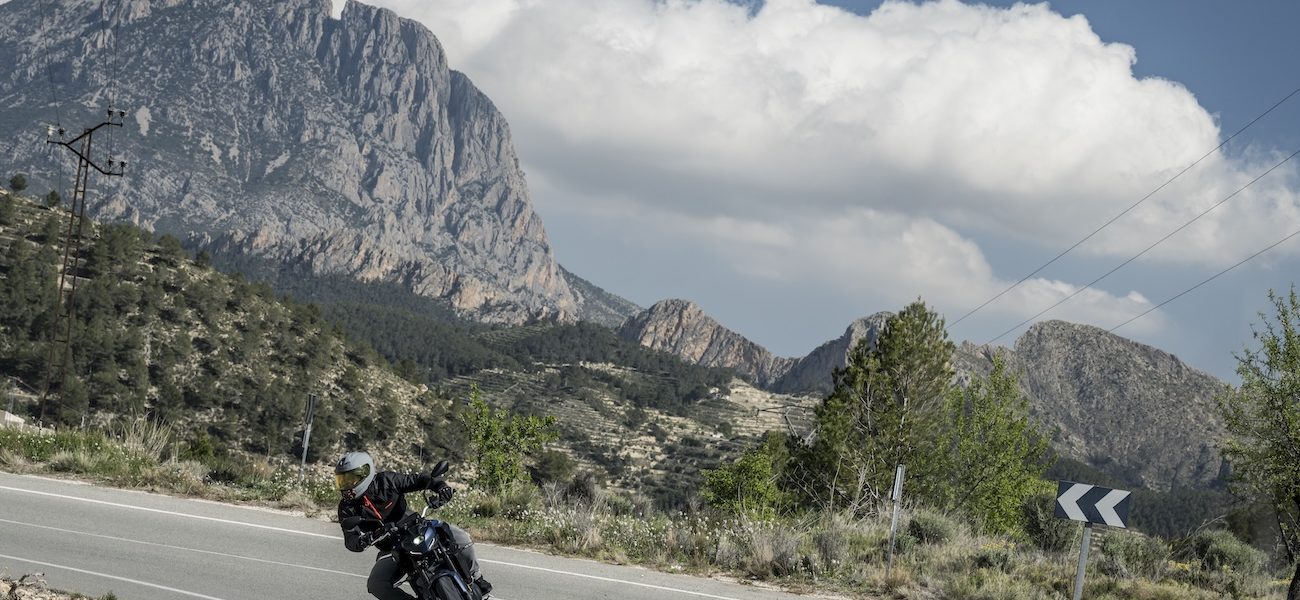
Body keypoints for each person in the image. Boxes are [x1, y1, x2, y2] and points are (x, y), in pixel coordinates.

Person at [335, 451, 493, 600]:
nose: (345, 486)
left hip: (417, 528)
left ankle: (477, 578)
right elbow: (351, 540)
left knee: (462, 537)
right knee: (376, 584)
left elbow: (419, 480)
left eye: (350, 479)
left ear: (365, 473)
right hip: (391, 549)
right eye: (342, 480)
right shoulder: (346, 508)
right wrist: (367, 538)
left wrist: (441, 487)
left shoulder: (386, 481)